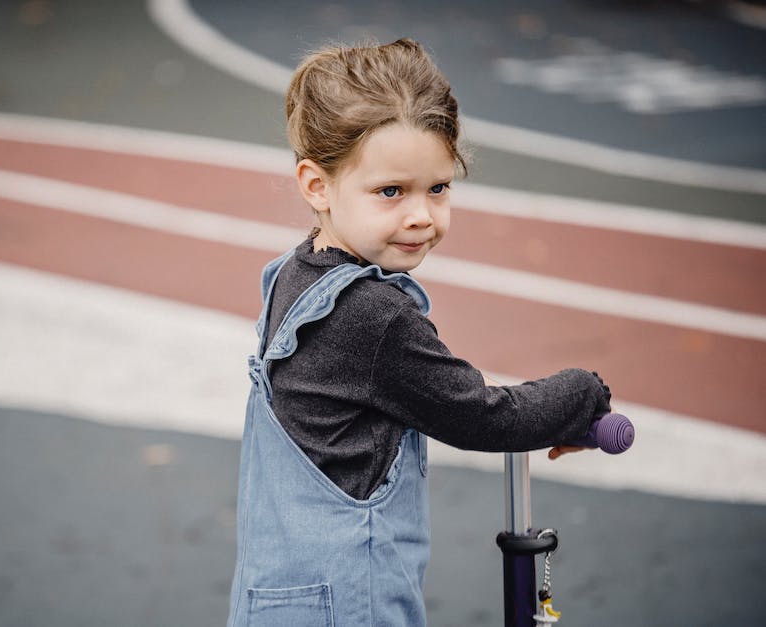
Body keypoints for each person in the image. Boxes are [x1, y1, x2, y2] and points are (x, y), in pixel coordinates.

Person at [227, 38, 612, 627]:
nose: (421, 215)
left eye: (438, 188)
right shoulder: (371, 316)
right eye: (391, 191)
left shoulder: (296, 273)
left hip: (277, 595)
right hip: (350, 601)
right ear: (316, 185)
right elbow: (484, 416)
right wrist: (583, 395)